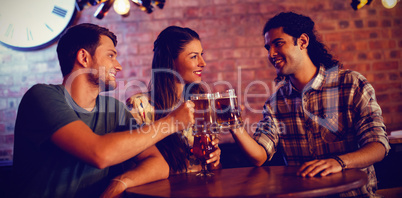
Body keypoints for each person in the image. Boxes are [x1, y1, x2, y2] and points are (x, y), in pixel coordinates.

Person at [12, 23, 195, 198]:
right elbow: (99, 153)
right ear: (84, 58)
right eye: (110, 55)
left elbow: (159, 164)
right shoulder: (42, 97)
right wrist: (171, 122)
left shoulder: (113, 109)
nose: (118, 65)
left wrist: (121, 182)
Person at [231, 12, 390, 197]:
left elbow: (378, 145)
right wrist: (235, 126)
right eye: (268, 47)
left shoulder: (351, 84)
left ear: (303, 41)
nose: (271, 53)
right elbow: (260, 156)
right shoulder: (276, 103)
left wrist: (339, 162)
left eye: (278, 43)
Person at [126, 26, 221, 174]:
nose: (203, 63)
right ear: (171, 61)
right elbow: (130, 163)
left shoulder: (201, 105)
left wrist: (214, 158)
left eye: (201, 55)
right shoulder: (139, 105)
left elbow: (212, 170)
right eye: (194, 56)